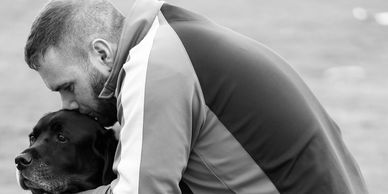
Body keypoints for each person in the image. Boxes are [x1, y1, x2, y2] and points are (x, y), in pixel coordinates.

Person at [24, 0, 368, 193]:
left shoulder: (156, 66)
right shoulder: (172, 35)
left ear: (101, 53)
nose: (68, 105)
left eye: (67, 87)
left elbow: (144, 190)